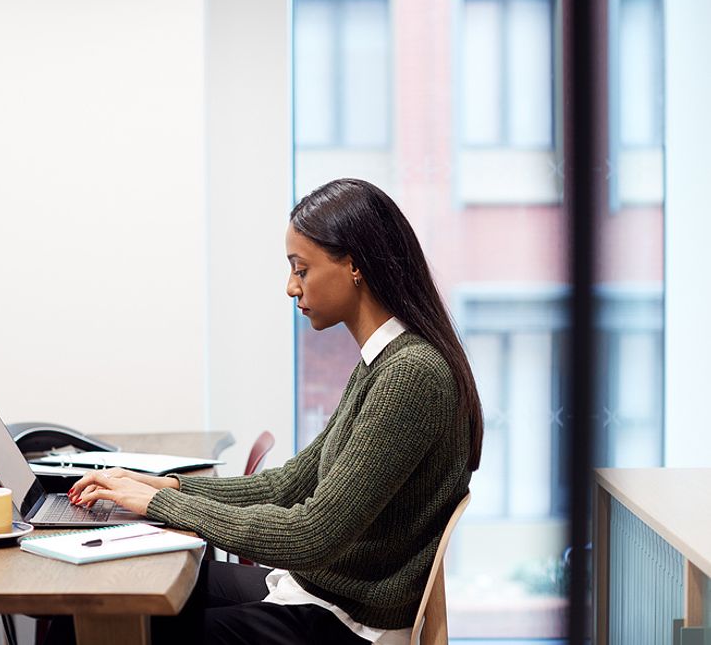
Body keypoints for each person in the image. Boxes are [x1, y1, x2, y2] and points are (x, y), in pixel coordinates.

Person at [65, 178, 483, 645]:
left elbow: (311, 534)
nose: (290, 287)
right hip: (314, 593)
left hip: (345, 622)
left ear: (354, 266)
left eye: (301, 269)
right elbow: (286, 486)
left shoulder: (411, 375)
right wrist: (166, 486)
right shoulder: (382, 363)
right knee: (88, 608)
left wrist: (161, 505)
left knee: (97, 622)